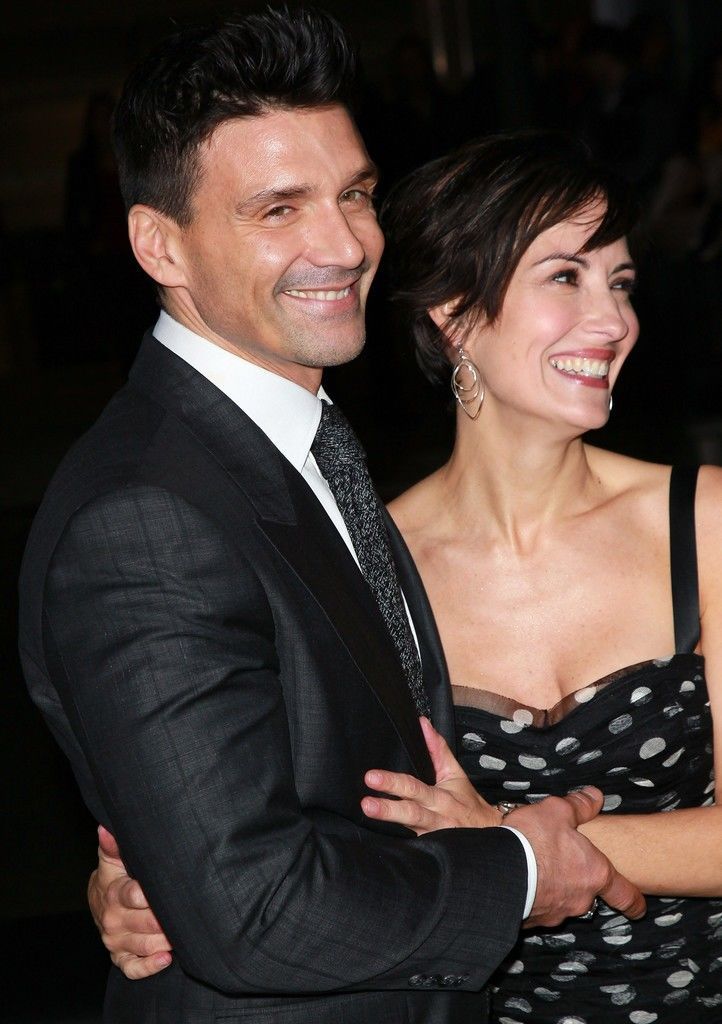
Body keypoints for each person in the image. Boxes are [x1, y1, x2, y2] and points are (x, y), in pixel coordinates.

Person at [19, 9, 643, 1022]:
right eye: (279, 209)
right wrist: (520, 874)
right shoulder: (145, 517)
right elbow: (253, 910)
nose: (346, 243)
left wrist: (175, 868)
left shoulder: (297, 443)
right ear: (159, 245)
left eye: (353, 193)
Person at [95, 127, 722, 1021]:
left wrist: (504, 843)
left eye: (620, 283)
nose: (613, 320)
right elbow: (276, 822)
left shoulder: (704, 520)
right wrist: (152, 882)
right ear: (454, 314)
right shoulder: (364, 553)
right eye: (565, 277)